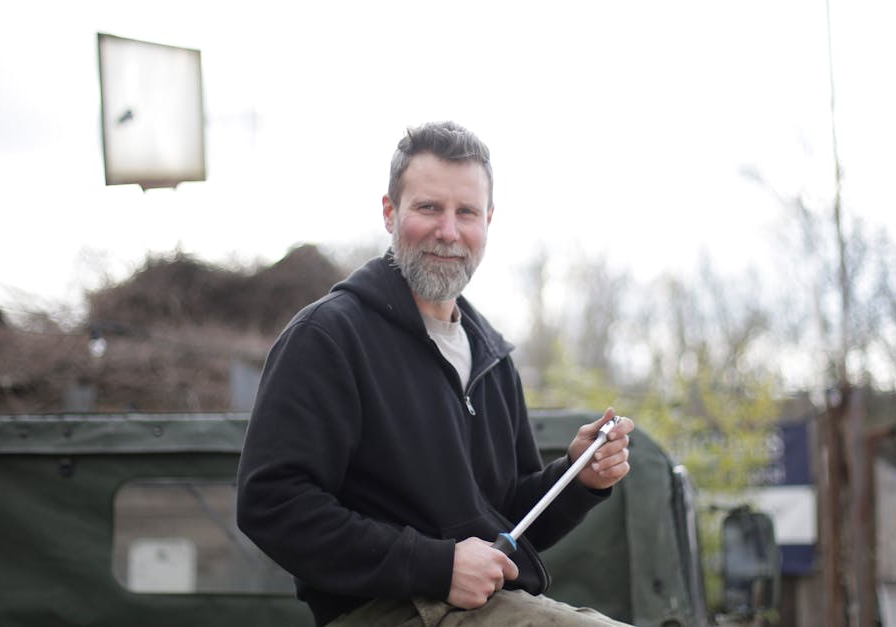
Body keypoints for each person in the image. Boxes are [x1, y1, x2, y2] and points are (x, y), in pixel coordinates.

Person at [236, 121, 635, 626]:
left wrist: (578, 478)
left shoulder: (492, 355)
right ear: (389, 212)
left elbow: (507, 520)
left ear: (488, 221)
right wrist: (436, 565)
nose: (448, 232)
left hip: (491, 606)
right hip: (384, 611)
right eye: (429, 208)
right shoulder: (328, 337)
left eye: (466, 212)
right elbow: (271, 503)